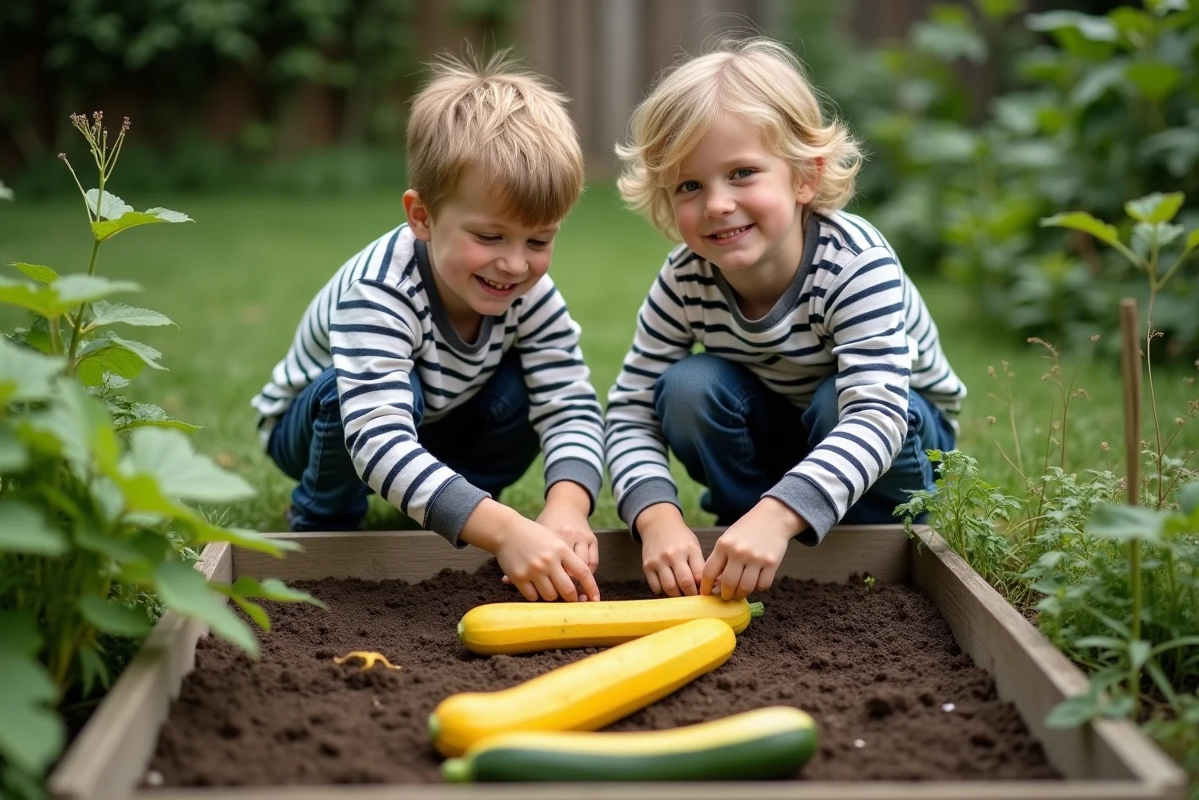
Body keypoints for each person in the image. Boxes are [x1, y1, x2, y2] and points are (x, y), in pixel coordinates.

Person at [604, 37, 967, 602]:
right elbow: (630, 411)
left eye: (743, 172)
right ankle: (742, 532)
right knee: (688, 389)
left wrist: (781, 515)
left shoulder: (854, 264)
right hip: (788, 438)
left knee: (834, 401)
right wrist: (656, 517)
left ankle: (861, 542)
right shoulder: (686, 278)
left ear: (803, 177)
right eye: (690, 186)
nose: (718, 204)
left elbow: (878, 415)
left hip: (898, 438)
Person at [251, 51, 604, 603]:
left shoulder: (529, 294)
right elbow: (375, 436)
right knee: (344, 399)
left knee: (523, 387)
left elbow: (569, 403)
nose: (515, 264)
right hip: (323, 426)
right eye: (490, 237)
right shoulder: (380, 289)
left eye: (538, 241)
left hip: (436, 417)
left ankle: (453, 503)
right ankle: (326, 521)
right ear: (422, 216)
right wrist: (507, 530)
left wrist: (566, 506)